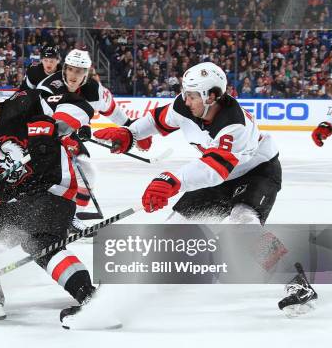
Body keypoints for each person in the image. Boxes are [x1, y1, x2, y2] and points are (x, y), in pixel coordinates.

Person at [0, 64, 97, 327]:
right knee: (41, 245)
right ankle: (91, 299)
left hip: (53, 194)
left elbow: (77, 105)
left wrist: (57, 127)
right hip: (25, 208)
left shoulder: (27, 103)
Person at [94, 62, 281, 226]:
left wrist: (172, 181)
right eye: (185, 93)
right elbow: (156, 121)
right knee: (175, 227)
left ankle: (283, 264)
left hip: (257, 172)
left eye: (192, 96)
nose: (186, 100)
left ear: (212, 96)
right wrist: (131, 133)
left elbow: (215, 169)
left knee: (244, 222)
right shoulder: (184, 106)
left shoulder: (234, 124)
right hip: (219, 176)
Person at [36, 49, 151, 232]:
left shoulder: (95, 90)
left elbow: (114, 112)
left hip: (66, 135)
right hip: (40, 137)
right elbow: (47, 123)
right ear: (64, 68)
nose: (74, 75)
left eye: (79, 71)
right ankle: (51, 217)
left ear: (87, 72)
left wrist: (134, 131)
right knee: (62, 178)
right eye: (71, 69)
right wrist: (70, 135)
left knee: (87, 174)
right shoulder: (49, 87)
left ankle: (70, 217)